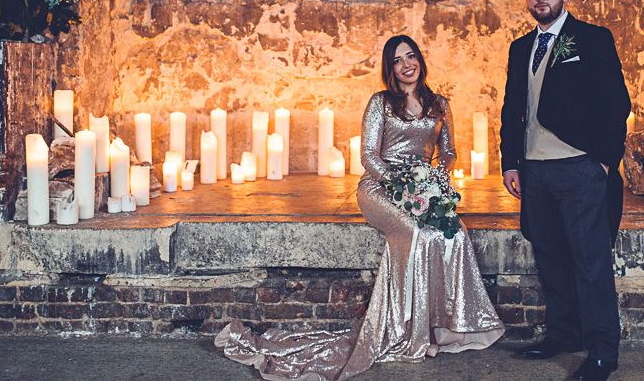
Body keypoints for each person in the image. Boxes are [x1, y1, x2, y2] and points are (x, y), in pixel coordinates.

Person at [216, 34, 504, 380]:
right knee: (413, 234)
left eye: (411, 56)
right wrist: (401, 186)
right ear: (390, 68)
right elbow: (368, 156)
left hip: (425, 188)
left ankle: (444, 328)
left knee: (452, 233)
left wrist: (436, 183)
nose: (406, 64)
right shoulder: (380, 103)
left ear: (420, 60)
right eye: (398, 60)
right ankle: (409, 331)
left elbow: (449, 151)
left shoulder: (439, 104)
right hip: (380, 188)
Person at [500, 0, 631, 381]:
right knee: (551, 257)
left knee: (591, 263)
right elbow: (510, 109)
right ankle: (562, 334)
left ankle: (601, 353)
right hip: (535, 172)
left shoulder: (592, 39)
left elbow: (617, 103)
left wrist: (605, 161)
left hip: (580, 168)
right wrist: (510, 162)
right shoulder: (520, 48)